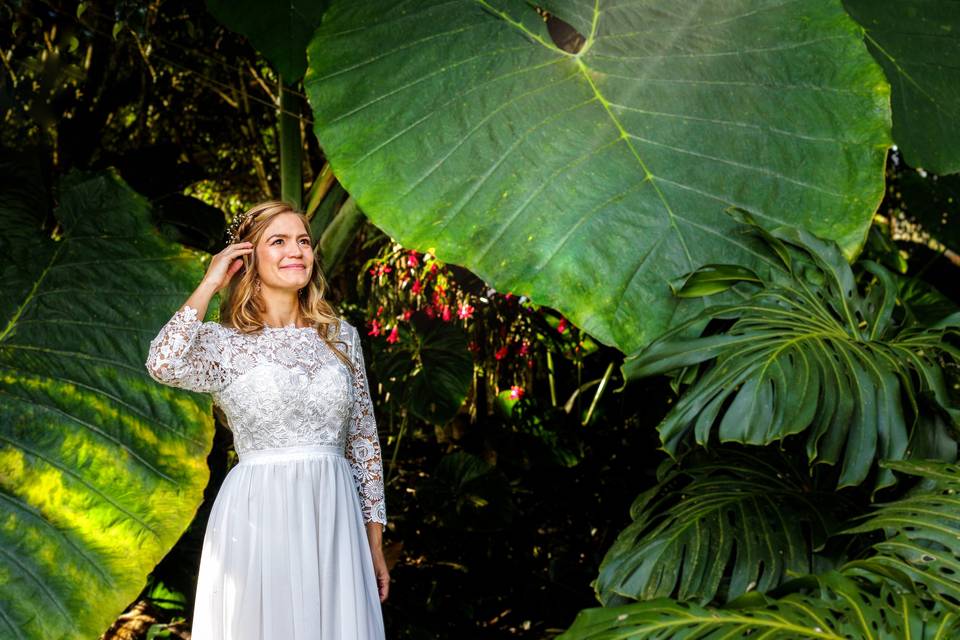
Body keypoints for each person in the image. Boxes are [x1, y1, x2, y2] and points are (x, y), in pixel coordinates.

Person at [144, 201, 388, 639]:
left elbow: (364, 441)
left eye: (303, 241)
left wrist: (373, 542)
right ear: (248, 257)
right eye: (278, 241)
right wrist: (211, 282)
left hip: (334, 514)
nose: (296, 251)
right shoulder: (224, 345)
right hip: (259, 513)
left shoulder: (341, 337)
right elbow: (163, 362)